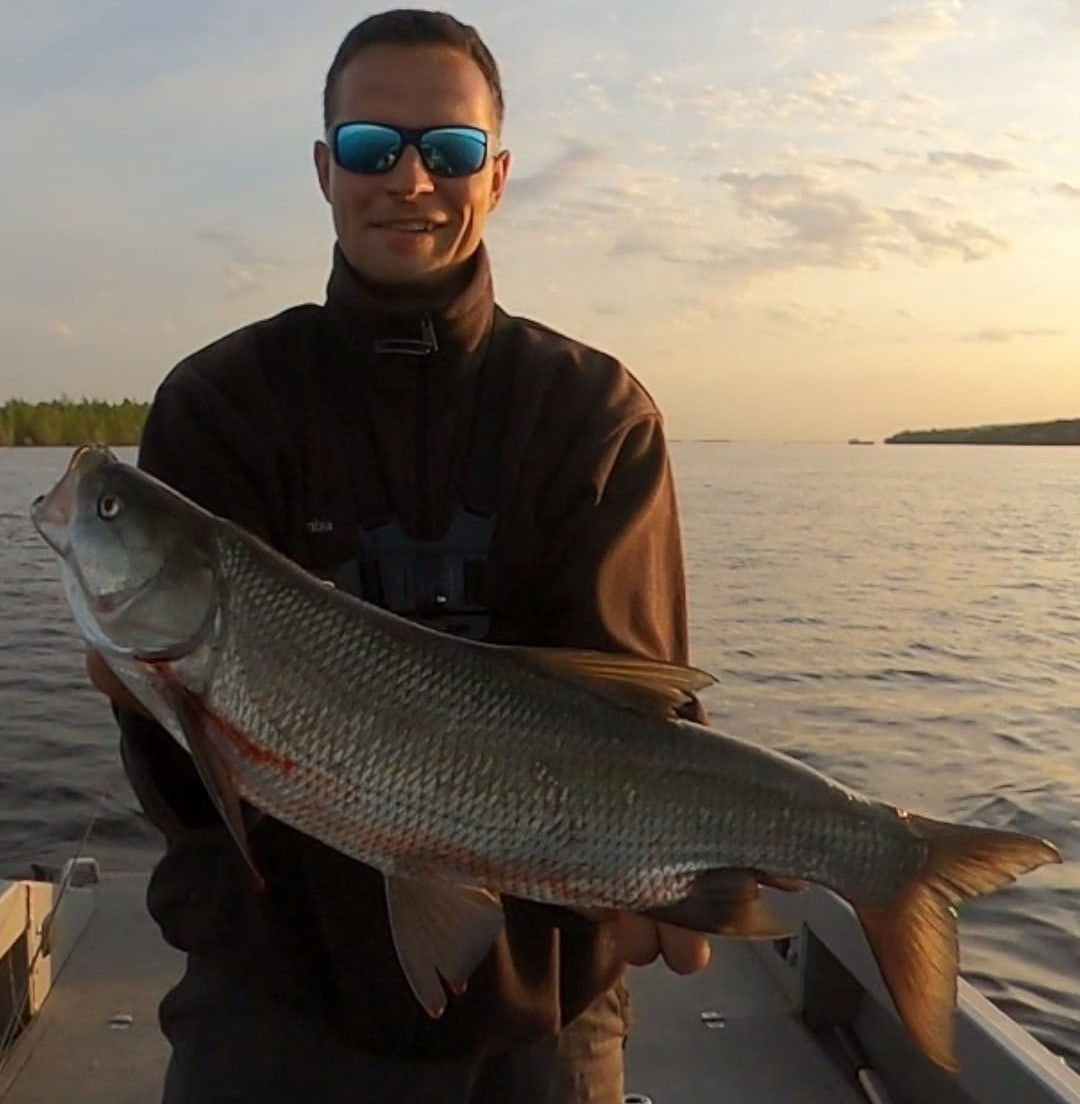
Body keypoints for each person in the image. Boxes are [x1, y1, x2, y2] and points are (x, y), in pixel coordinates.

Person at [88, 9, 710, 1102]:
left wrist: (668, 872)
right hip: (274, 996)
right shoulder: (221, 404)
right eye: (374, 147)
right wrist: (153, 704)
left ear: (500, 176)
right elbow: (193, 790)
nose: (411, 179)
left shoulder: (598, 416)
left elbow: (635, 708)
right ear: (326, 170)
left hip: (546, 1003)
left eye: (451, 150)